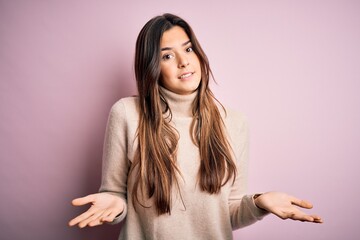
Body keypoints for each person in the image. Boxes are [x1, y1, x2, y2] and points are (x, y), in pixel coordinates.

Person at [69, 13, 322, 239]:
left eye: (188, 49)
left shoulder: (234, 123)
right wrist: (114, 203)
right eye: (167, 55)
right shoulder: (127, 113)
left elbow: (229, 214)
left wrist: (258, 203)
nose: (184, 62)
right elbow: (115, 195)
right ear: (152, 68)